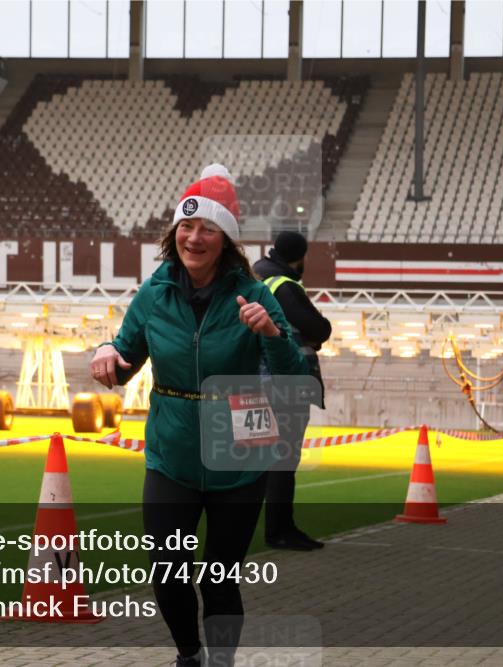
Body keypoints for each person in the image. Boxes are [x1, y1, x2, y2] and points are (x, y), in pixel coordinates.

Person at [90, 164, 307, 667]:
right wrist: (105, 351)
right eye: (186, 227)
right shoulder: (153, 294)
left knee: (220, 577)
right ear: (173, 235)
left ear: (226, 239)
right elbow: (123, 361)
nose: (194, 237)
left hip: (240, 452)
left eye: (207, 228)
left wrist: (272, 336)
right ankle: (190, 656)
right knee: (167, 571)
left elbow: (295, 376)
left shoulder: (254, 296)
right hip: (173, 453)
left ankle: (222, 662)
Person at [253, 231, 332, 551]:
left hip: (257, 380)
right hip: (284, 383)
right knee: (283, 458)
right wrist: (315, 336)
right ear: (299, 257)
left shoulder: (258, 277)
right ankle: (280, 530)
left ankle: (259, 528)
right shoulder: (283, 285)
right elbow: (318, 328)